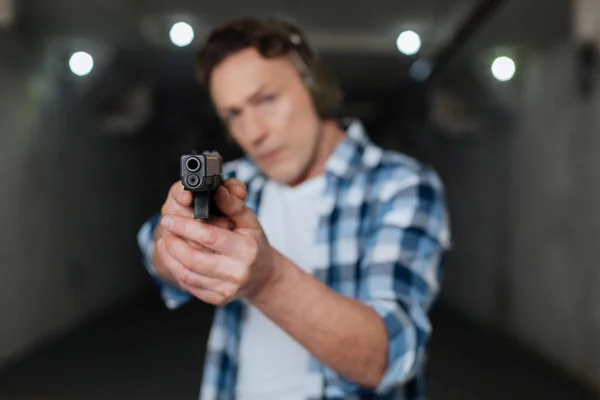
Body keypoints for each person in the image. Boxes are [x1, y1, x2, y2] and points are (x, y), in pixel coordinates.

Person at [137, 17, 451, 400]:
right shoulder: (236, 180)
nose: (254, 132)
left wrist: (267, 279)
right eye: (234, 114)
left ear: (313, 86)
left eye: (266, 99)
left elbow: (384, 357)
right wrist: (178, 245)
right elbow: (152, 245)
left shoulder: (399, 184)